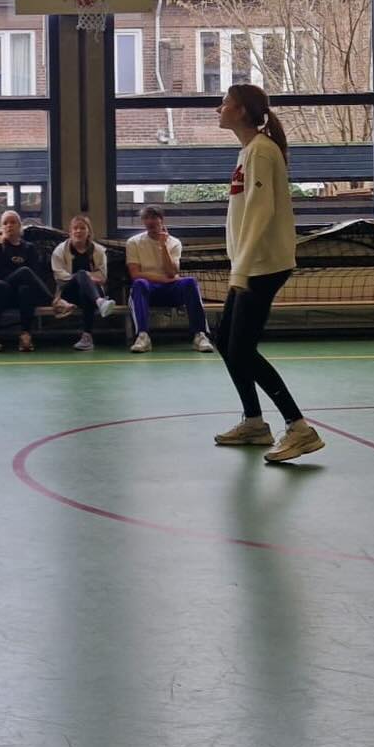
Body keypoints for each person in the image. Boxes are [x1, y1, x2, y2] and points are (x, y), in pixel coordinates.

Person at [212, 84, 324, 463]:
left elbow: (261, 212)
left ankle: (299, 428)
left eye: (225, 103)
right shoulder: (249, 150)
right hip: (248, 265)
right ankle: (255, 422)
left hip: (261, 266)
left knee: (240, 348)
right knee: (224, 339)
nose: (219, 108)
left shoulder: (261, 150)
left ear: (242, 111)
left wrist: (241, 268)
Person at [125, 204, 213, 354]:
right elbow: (135, 274)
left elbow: (172, 273)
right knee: (139, 284)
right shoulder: (133, 242)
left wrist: (163, 246)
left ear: (161, 220)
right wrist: (161, 279)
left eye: (154, 218)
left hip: (171, 290)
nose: (150, 222)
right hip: (148, 290)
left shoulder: (174, 242)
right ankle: (143, 336)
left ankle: (200, 335)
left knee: (190, 282)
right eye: (146, 218)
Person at [0, 208, 55, 353]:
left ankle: (25, 335)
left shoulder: (29, 248)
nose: (8, 225)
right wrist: (18, 274)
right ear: (2, 227)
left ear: (20, 226)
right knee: (17, 276)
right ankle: (54, 301)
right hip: (0, 291)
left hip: (18, 295)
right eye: (5, 223)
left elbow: (35, 274)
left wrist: (19, 277)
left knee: (25, 289)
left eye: (12, 222)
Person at [50, 214, 117, 352]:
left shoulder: (98, 251)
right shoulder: (60, 250)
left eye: (82, 228)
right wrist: (83, 277)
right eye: (75, 228)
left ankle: (87, 338)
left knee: (86, 292)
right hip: (68, 292)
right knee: (81, 274)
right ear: (70, 232)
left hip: (89, 293)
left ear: (89, 232)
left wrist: (87, 280)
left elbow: (103, 277)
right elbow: (60, 276)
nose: (78, 231)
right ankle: (100, 302)